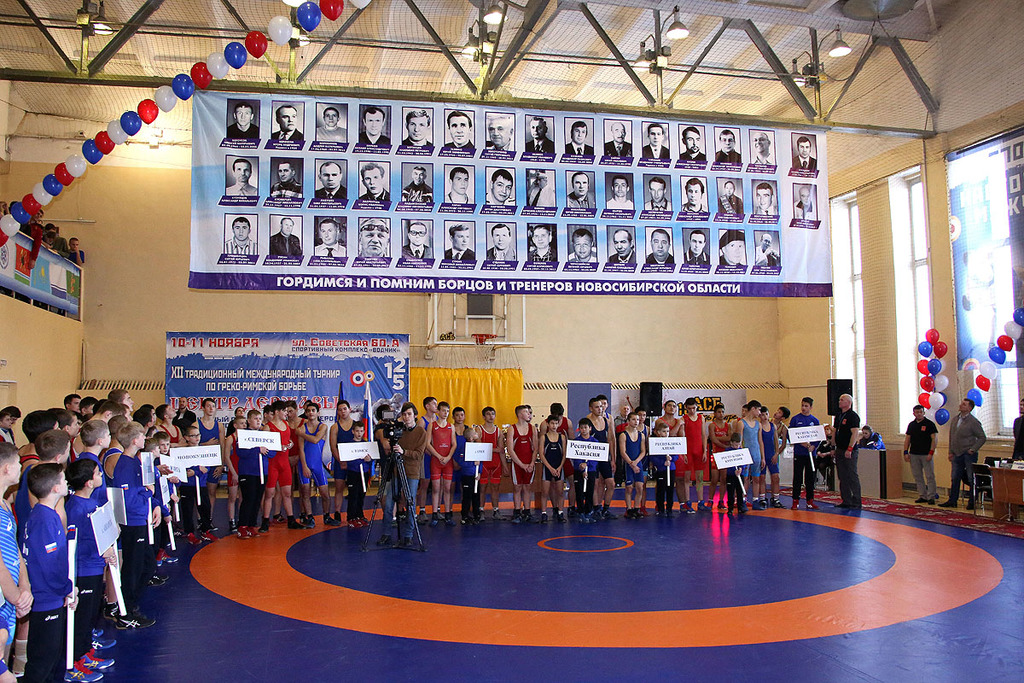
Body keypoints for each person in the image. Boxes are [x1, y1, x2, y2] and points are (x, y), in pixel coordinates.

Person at [22, 463, 77, 682]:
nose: (67, 482)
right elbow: (50, 565)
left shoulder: (45, 515)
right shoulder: (44, 519)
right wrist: (67, 588)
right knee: (43, 659)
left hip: (50, 595)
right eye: (63, 479)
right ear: (55, 488)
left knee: (52, 656)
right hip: (47, 598)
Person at [64, 459, 116, 678]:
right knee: (82, 617)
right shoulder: (76, 508)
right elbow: (73, 544)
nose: (101, 475)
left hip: (94, 567)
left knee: (91, 615)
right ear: (88, 482)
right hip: (84, 570)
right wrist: (102, 550)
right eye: (97, 473)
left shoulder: (90, 502)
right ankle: (74, 663)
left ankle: (85, 654)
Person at [110, 421, 158, 628]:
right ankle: (126, 610)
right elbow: (128, 498)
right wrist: (148, 492)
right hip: (132, 521)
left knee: (146, 565)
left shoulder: (132, 462)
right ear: (134, 440)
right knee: (134, 567)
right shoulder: (125, 465)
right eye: (142, 436)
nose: (145, 438)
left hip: (138, 518)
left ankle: (128, 605)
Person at [377, 402, 427, 548]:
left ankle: (408, 535)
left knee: (410, 503)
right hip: (396, 471)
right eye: (404, 414)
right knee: (389, 503)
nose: (406, 417)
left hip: (412, 472)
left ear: (415, 415)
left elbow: (419, 454)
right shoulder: (399, 430)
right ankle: (386, 533)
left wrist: (403, 451)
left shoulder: (421, 432)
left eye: (409, 414)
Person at [939, 398, 987, 509]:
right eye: (961, 403)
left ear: (969, 408)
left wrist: (973, 449)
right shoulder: (955, 419)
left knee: (971, 478)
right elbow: (952, 437)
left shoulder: (973, 421)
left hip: (968, 454)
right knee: (955, 477)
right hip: (957, 453)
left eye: (964, 404)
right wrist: (950, 451)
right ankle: (953, 500)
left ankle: (972, 502)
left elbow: (982, 437)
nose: (961, 405)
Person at [296, 401, 337, 528]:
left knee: (325, 494)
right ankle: (309, 517)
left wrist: (301, 434)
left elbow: (315, 440)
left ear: (318, 413)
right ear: (306, 413)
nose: (311, 413)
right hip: (305, 464)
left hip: (317, 465)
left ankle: (326, 516)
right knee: (305, 493)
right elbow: (301, 450)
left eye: (313, 410)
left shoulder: (322, 427)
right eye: (308, 411)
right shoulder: (302, 428)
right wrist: (304, 466)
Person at [233, 410, 270, 539]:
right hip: (248, 472)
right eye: (255, 418)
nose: (258, 421)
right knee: (249, 499)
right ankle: (242, 526)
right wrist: (257, 449)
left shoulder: (264, 435)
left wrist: (270, 449)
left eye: (260, 418)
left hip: (262, 472)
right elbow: (240, 452)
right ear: (248, 420)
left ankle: (251, 526)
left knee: (257, 499)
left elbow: (272, 452)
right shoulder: (243, 435)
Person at [178, 425, 216, 544]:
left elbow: (206, 467)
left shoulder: (204, 451)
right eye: (193, 436)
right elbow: (181, 468)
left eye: (198, 435)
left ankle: (205, 530)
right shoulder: (182, 452)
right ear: (186, 437)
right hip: (187, 485)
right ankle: (189, 532)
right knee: (187, 509)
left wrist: (195, 472)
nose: (197, 438)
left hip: (201, 484)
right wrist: (194, 470)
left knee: (205, 507)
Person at [425, 402, 457, 527]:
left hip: (447, 462)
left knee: (447, 489)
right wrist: (438, 456)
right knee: (436, 488)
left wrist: (448, 457)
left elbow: (454, 444)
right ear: (438, 411)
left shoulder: (451, 426)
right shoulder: (432, 425)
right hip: (436, 461)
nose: (445, 413)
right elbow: (428, 444)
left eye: (447, 411)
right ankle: (434, 514)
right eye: (443, 411)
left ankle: (448, 514)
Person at [587, 397, 617, 519]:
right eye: (597, 407)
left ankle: (606, 508)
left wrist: (613, 459)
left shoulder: (607, 421)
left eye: (601, 406)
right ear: (591, 408)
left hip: (604, 457)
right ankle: (596, 508)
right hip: (592, 458)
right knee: (595, 483)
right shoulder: (587, 422)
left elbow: (610, 440)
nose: (600, 409)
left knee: (611, 484)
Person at [506, 405, 537, 524]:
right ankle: (517, 512)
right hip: (517, 464)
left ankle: (527, 512)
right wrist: (521, 465)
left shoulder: (532, 428)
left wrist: (532, 463)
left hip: (529, 463)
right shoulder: (512, 429)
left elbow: (535, 448)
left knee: (528, 487)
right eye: (526, 412)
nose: (529, 414)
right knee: (517, 487)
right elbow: (510, 450)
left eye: (529, 412)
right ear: (519, 414)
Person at [832, 393, 862, 509]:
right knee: (842, 476)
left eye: (842, 400)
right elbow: (835, 431)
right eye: (839, 399)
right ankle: (846, 500)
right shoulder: (838, 415)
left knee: (852, 475)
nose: (839, 401)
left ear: (849, 403)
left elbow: (855, 433)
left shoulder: (853, 416)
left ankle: (856, 501)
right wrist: (833, 446)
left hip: (849, 450)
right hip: (839, 449)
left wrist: (850, 449)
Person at [681, 398, 711, 511]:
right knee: (686, 479)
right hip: (688, 451)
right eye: (689, 409)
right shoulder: (683, 419)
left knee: (699, 478)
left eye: (694, 408)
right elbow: (682, 436)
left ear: (697, 406)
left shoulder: (701, 418)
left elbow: (704, 435)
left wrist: (705, 451)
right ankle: (687, 502)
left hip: (699, 451)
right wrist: (683, 453)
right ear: (686, 408)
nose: (692, 411)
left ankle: (700, 501)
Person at [476, 407, 505, 520]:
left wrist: (504, 465)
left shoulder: (498, 431)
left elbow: (501, 449)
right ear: (484, 417)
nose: (491, 416)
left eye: (493, 414)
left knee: (495, 488)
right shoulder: (479, 429)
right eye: (488, 414)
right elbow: (479, 447)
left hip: (496, 463)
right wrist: (494, 449)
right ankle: (481, 510)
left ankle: (496, 510)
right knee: (482, 488)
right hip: (483, 463)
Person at [344, 422, 371, 528]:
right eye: (357, 431)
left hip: (364, 473)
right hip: (353, 473)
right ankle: (351, 517)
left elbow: (371, 459)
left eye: (361, 431)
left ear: (364, 432)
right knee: (353, 495)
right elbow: (347, 459)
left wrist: (369, 459)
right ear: (353, 431)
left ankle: (360, 515)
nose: (359, 433)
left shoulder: (366, 444)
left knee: (361, 495)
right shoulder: (349, 445)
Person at [539, 415, 566, 523]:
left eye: (556, 423)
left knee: (560, 492)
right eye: (552, 423)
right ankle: (544, 513)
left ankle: (560, 512)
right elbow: (541, 455)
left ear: (558, 424)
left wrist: (559, 467)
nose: (554, 426)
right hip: (547, 468)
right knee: (545, 492)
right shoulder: (543, 438)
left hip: (559, 467)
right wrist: (550, 468)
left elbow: (564, 454)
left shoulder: (562, 437)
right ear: (548, 424)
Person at [619, 412, 646, 518]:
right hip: (628, 464)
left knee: (640, 487)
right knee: (629, 488)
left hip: (638, 463)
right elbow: (623, 452)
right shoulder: (623, 435)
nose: (636, 422)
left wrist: (636, 462)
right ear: (628, 421)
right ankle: (629, 509)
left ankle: (636, 508)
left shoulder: (641, 435)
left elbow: (643, 451)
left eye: (638, 420)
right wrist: (631, 463)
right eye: (634, 419)